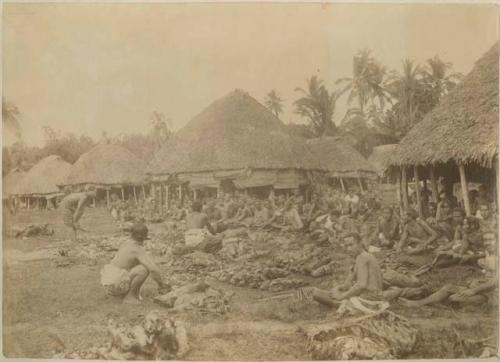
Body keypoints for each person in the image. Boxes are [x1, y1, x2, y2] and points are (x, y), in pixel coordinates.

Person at [312, 233, 421, 307]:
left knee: (323, 296)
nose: (349, 248)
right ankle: (339, 301)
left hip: (372, 297)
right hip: (365, 294)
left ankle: (340, 303)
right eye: (347, 246)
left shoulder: (364, 257)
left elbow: (362, 285)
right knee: (318, 293)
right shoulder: (357, 258)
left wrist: (341, 296)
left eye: (351, 245)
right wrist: (339, 288)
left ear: (360, 243)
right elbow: (347, 284)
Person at [100, 223, 170, 304]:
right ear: (143, 238)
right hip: (115, 284)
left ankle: (120, 294)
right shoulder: (137, 249)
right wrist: (162, 285)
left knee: (136, 265)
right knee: (143, 269)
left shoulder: (126, 243)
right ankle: (130, 297)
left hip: (108, 284)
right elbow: (153, 270)